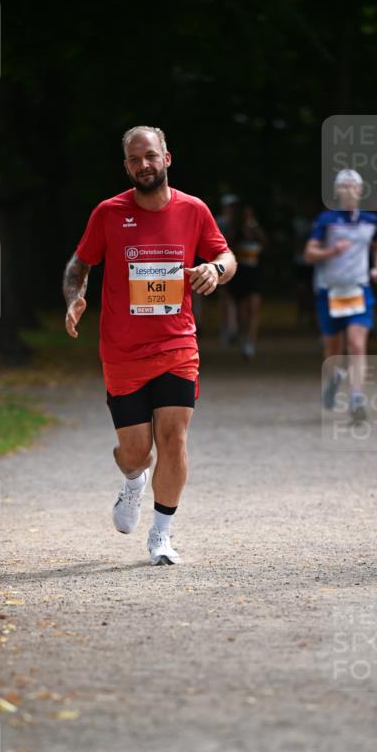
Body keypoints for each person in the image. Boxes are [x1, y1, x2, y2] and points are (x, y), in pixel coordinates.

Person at [62, 125, 236, 565]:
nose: (144, 165)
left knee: (174, 438)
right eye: (135, 159)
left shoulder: (193, 210)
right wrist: (74, 298)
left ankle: (161, 535)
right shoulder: (108, 213)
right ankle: (133, 481)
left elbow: (227, 256)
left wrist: (215, 269)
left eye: (150, 156)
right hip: (122, 351)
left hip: (177, 345)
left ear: (167, 158)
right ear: (126, 166)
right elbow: (79, 264)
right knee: (136, 452)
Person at [304, 170, 377, 423]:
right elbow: (309, 254)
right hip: (330, 291)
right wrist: (331, 251)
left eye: (354, 187)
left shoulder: (371, 220)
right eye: (345, 187)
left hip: (358, 290)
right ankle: (335, 377)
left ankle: (356, 397)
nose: (350, 191)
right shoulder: (326, 220)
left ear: (361, 191)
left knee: (356, 344)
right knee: (333, 349)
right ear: (337, 191)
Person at [226, 203, 267, 359]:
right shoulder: (236, 231)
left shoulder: (258, 231)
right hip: (240, 272)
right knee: (242, 311)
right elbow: (227, 247)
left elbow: (265, 245)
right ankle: (243, 337)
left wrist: (255, 232)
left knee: (254, 308)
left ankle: (251, 341)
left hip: (255, 273)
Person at [215, 193, 241, 346]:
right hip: (222, 263)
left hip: (239, 263)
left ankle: (233, 328)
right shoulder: (219, 222)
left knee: (235, 298)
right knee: (225, 296)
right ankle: (228, 328)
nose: (231, 209)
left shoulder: (239, 222)